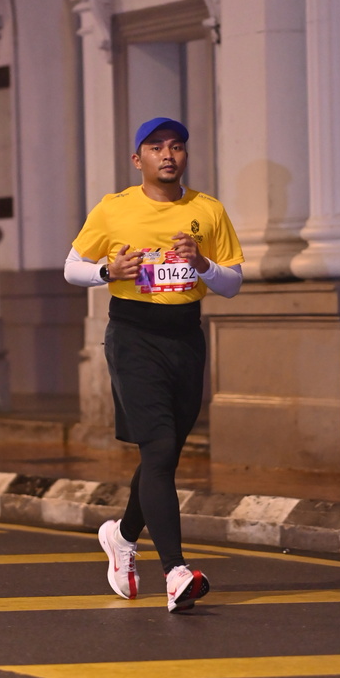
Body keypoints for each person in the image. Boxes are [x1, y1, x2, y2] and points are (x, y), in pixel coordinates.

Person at [64, 116, 244, 611]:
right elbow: (72, 267)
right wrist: (107, 270)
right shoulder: (114, 208)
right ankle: (176, 571)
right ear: (137, 158)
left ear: (185, 155)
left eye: (177, 146)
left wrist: (203, 265)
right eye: (156, 147)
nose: (168, 154)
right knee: (159, 446)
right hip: (133, 335)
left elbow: (232, 282)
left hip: (186, 337)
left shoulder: (208, 210)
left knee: (162, 457)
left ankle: (122, 536)